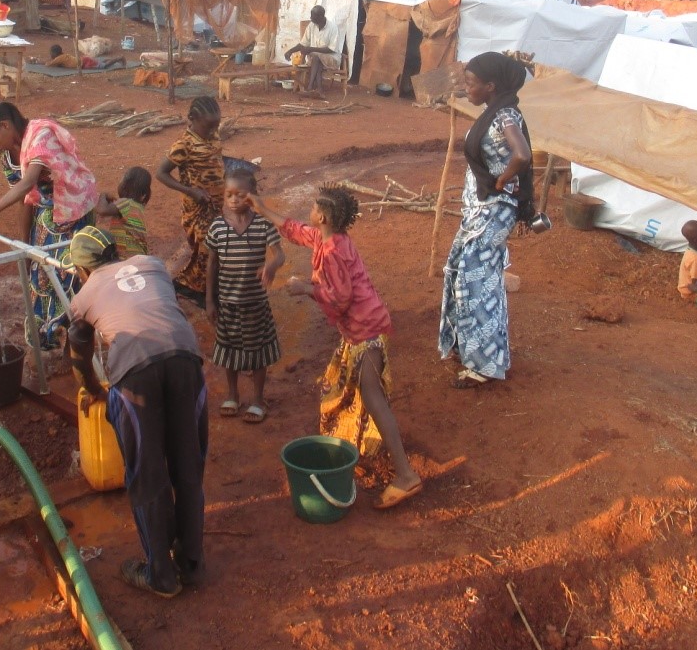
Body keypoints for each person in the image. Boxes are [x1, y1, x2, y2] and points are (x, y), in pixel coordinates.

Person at [253, 186, 423, 508]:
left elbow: (341, 299)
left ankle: (405, 475)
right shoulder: (328, 239)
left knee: (373, 398)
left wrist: (305, 288)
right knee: (360, 392)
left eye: (314, 207)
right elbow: (294, 230)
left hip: (366, 332)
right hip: (361, 331)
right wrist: (261, 208)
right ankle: (365, 449)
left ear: (323, 216)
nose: (310, 211)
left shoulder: (331, 252)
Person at [66, 228, 206, 598]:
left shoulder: (83, 297)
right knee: (187, 464)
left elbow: (79, 355)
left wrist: (94, 390)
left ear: (82, 269)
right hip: (185, 360)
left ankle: (161, 575)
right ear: (117, 251)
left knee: (147, 474)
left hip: (135, 375)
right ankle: (191, 563)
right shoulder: (152, 264)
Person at [440, 52, 533, 388]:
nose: (466, 88)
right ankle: (471, 348)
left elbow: (522, 154)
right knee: (463, 275)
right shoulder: (496, 111)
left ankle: (483, 365)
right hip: (479, 212)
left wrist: (502, 178)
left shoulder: (505, 114)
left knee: (477, 285)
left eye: (471, 83)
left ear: (491, 86)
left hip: (493, 213)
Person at [0, 103, 98, 335]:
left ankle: (77, 334)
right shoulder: (8, 158)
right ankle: (51, 333)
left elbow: (27, 183)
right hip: (47, 212)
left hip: (73, 208)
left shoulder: (41, 135)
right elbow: (25, 198)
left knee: (70, 272)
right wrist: (26, 244)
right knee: (41, 275)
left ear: (5, 125)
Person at [203, 170, 283, 422]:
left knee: (257, 352)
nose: (234, 199)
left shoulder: (262, 224)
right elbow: (212, 264)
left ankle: (258, 399)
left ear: (252, 196)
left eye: (240, 194)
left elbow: (280, 254)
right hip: (227, 303)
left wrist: (271, 266)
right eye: (229, 194)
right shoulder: (217, 227)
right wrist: (209, 300)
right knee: (229, 351)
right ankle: (233, 395)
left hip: (255, 304)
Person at [155, 96, 224, 305]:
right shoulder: (183, 144)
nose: (213, 131)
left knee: (217, 245)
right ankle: (200, 291)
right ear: (192, 119)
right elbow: (161, 173)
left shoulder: (213, 135)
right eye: (208, 127)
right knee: (206, 247)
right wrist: (190, 191)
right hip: (197, 207)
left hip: (218, 204)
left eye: (216, 126)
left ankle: (204, 285)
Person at [284, 5, 343, 98]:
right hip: (317, 60)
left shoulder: (333, 28)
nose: (311, 18)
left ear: (320, 16)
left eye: (313, 16)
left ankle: (310, 87)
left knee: (316, 56)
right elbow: (303, 43)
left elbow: (331, 49)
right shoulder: (311, 26)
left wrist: (311, 49)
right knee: (316, 59)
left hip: (332, 59)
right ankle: (319, 90)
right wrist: (290, 51)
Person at [96, 166, 152, 259]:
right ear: (144, 195)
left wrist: (103, 195)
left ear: (124, 187)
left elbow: (102, 210)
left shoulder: (126, 203)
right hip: (138, 255)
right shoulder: (137, 206)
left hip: (126, 256)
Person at [46, 43, 124, 71]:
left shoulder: (59, 58)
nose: (51, 55)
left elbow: (49, 64)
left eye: (51, 53)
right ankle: (116, 59)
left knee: (103, 66)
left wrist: (37, 61)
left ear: (55, 53)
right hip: (84, 60)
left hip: (84, 63)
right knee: (99, 63)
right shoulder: (62, 56)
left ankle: (119, 58)